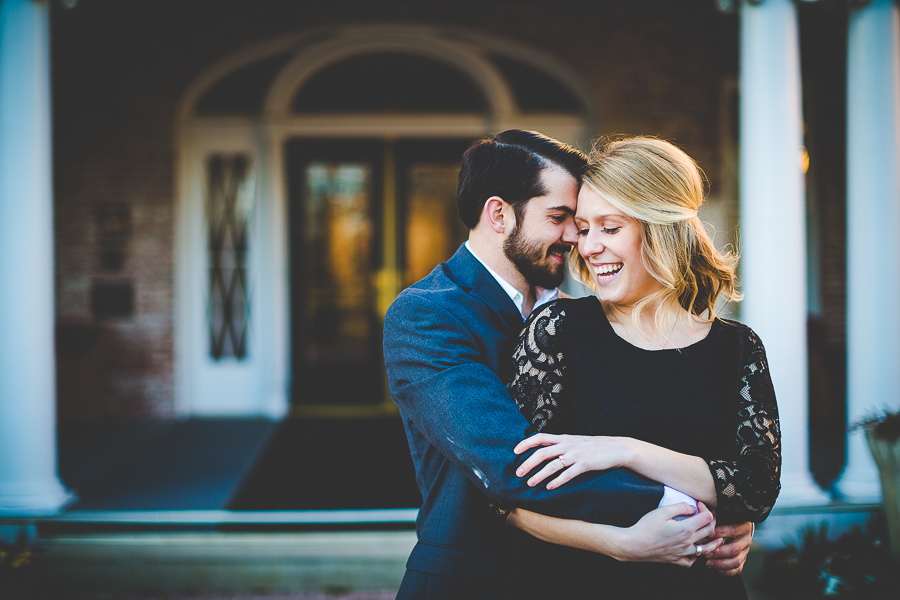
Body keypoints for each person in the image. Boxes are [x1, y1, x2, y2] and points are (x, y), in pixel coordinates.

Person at [383, 130, 753, 599]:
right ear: (498, 214)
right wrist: (695, 509)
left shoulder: (586, 314)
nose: (577, 238)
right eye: (561, 218)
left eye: (583, 222)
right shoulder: (429, 314)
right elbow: (513, 461)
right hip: (474, 581)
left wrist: (733, 510)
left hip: (578, 578)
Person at [499, 136, 781, 598]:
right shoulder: (558, 332)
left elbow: (756, 488)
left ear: (661, 227)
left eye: (609, 229)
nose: (588, 247)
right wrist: (622, 546)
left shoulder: (738, 348)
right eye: (583, 228)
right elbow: (507, 495)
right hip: (576, 585)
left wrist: (626, 450)